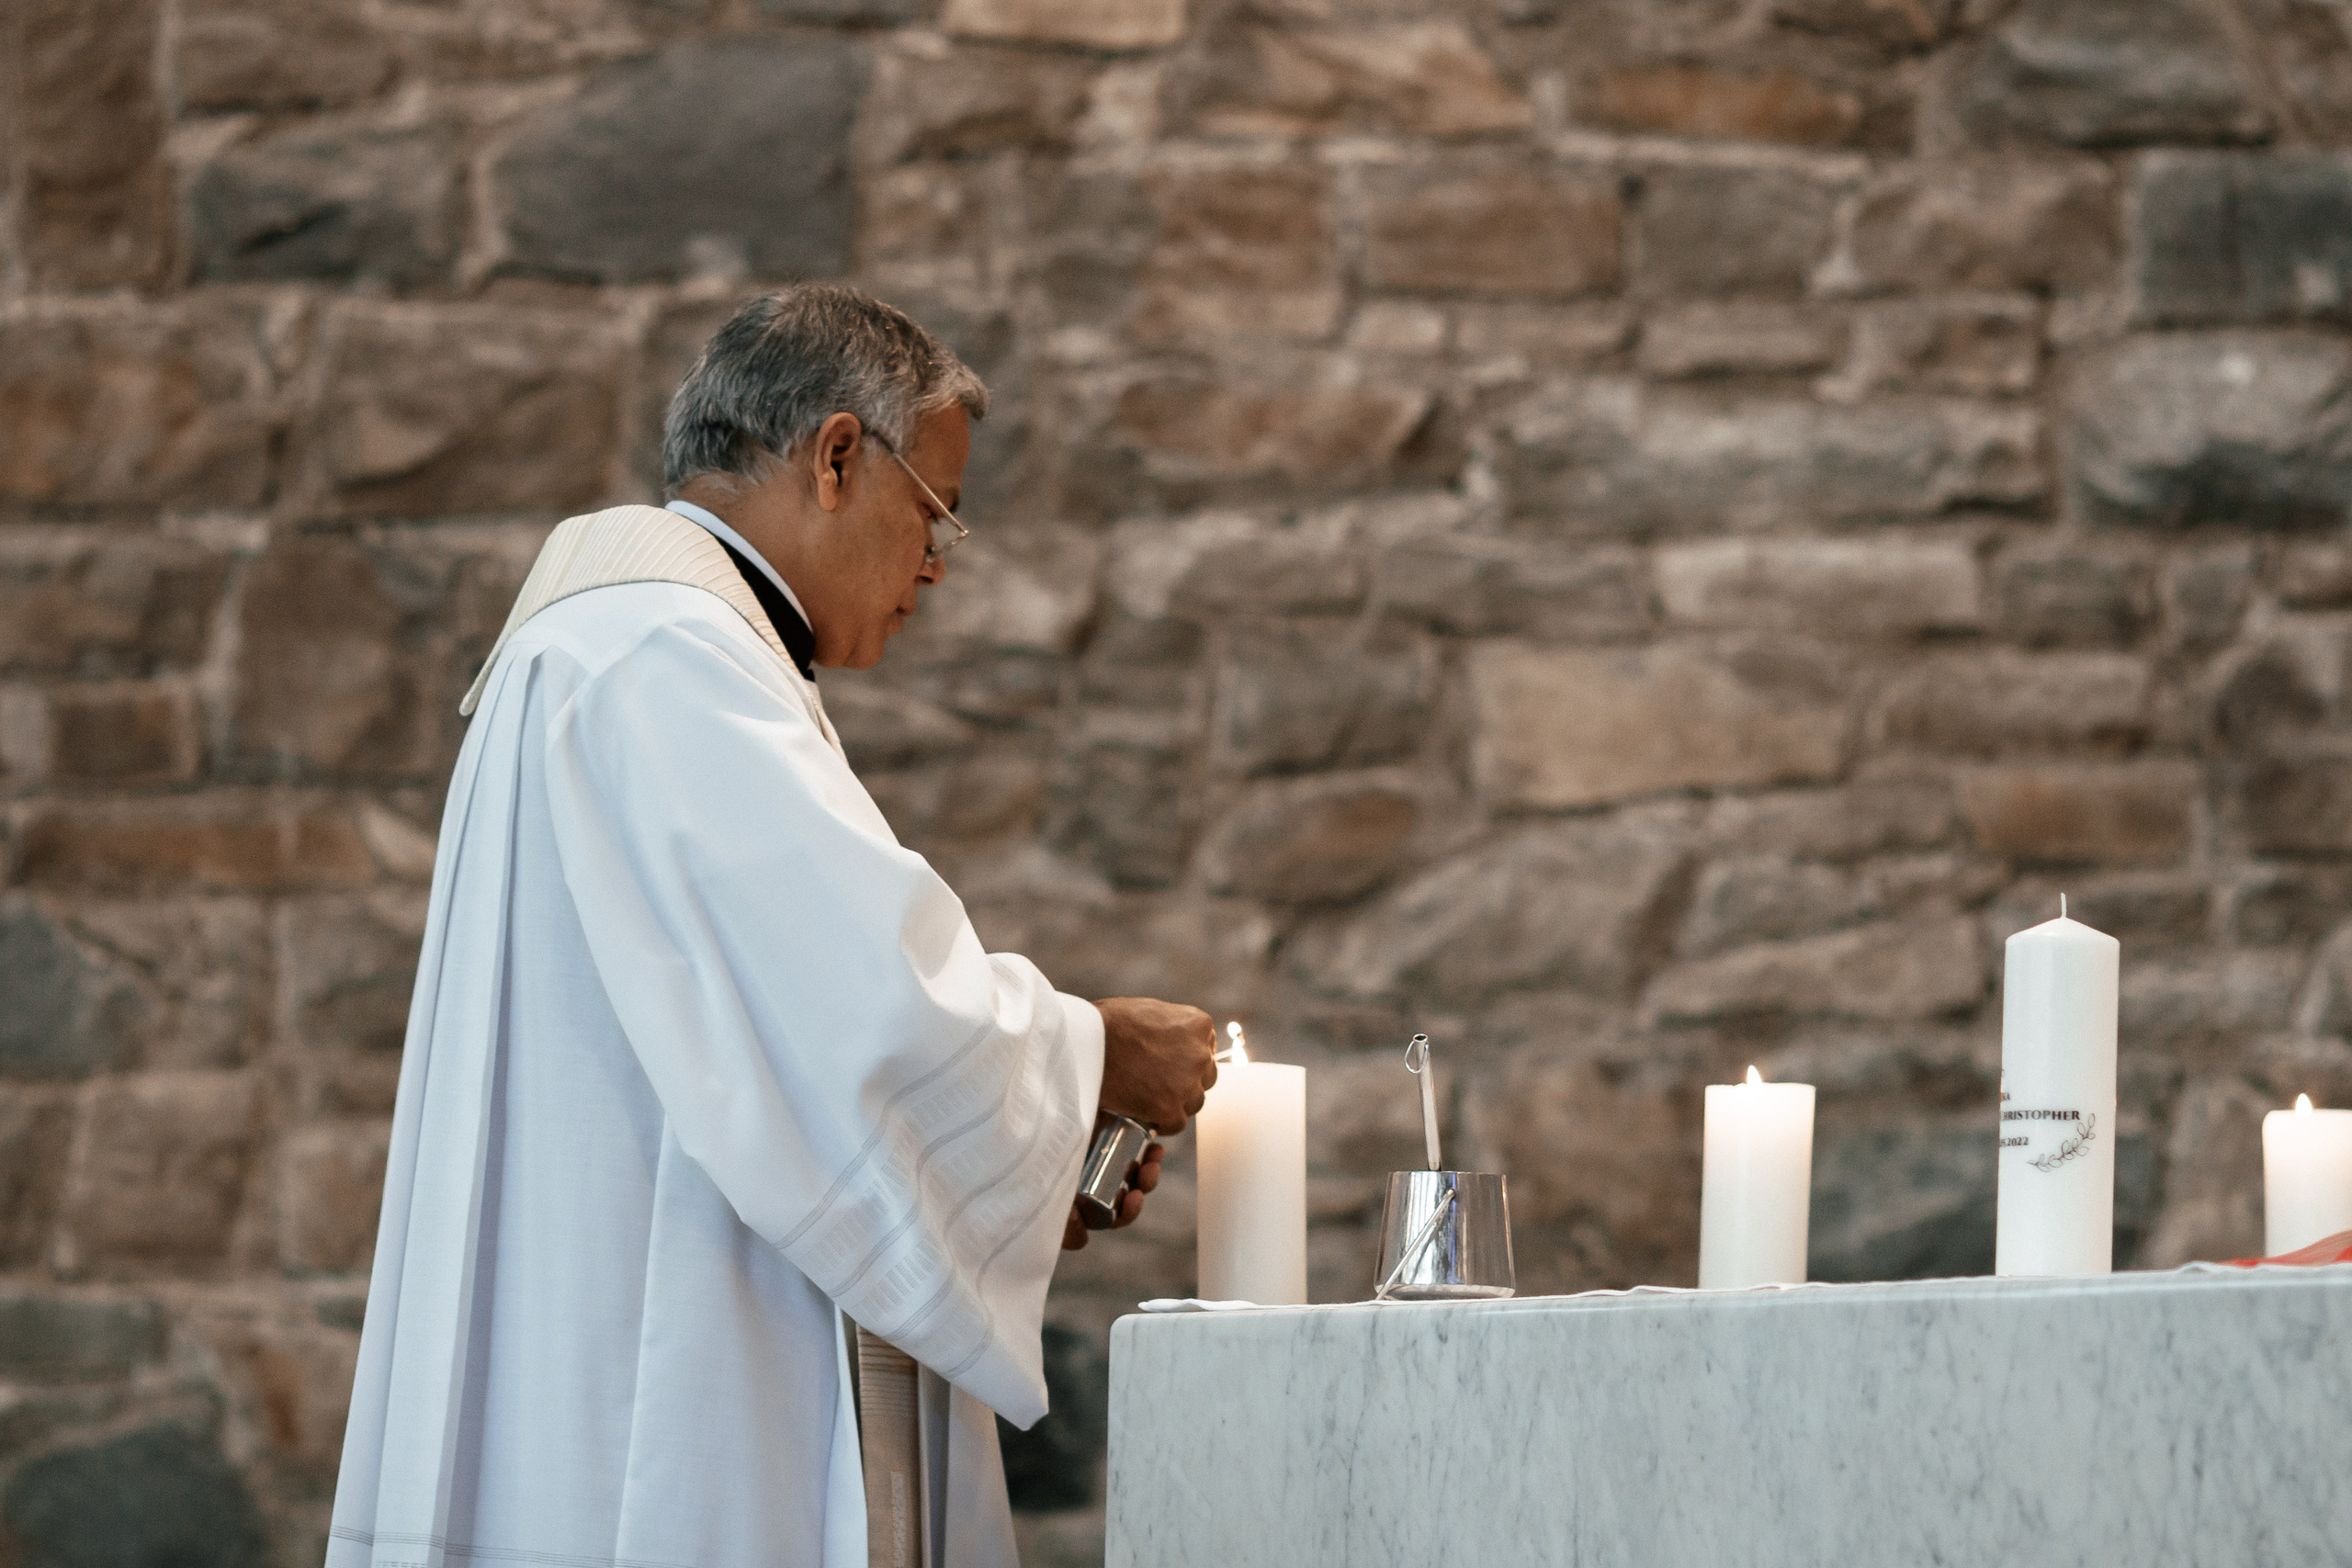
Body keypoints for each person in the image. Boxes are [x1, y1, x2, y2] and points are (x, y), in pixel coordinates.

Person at [326, 286, 1218, 1568]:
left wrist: (1005, 1167)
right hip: (667, 1357)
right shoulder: (664, 654)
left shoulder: (635, 640)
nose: (937, 563)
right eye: (937, 512)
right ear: (838, 457)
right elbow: (858, 1007)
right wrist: (1094, 1054)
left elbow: (768, 1036)